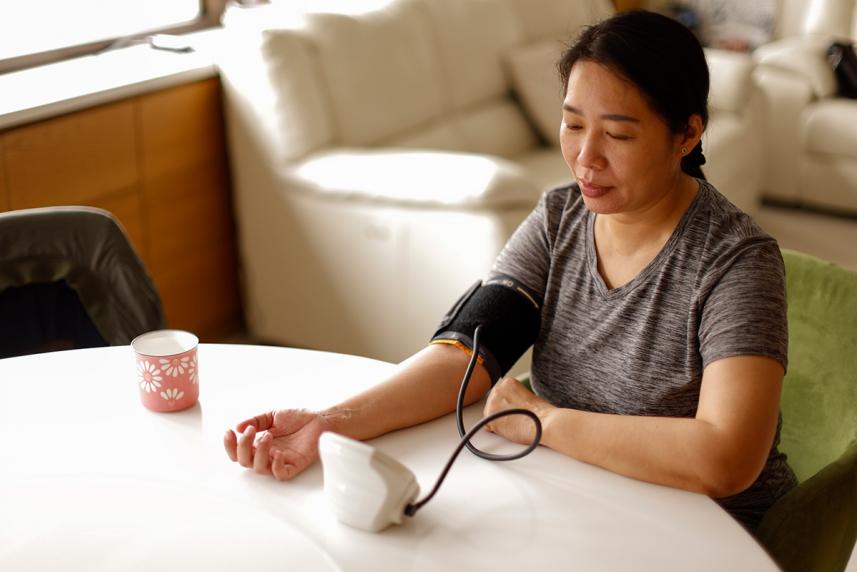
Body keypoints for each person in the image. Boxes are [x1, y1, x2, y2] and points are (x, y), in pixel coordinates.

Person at [224, 10, 796, 532]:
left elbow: (725, 458)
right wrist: (328, 422)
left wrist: (545, 421)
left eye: (618, 134)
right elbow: (467, 355)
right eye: (573, 125)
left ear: (687, 134)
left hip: (713, 532)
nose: (586, 158)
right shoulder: (559, 218)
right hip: (583, 500)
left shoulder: (736, 262)